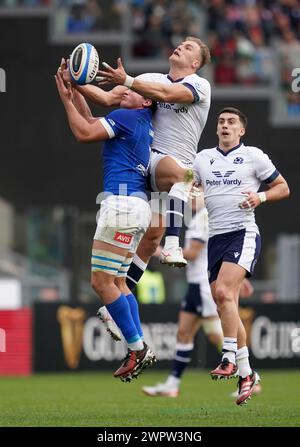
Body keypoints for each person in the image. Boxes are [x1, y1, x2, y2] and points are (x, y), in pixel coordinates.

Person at [62, 36, 211, 276]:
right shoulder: (148, 80)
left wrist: (128, 80)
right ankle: (174, 246)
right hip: (149, 159)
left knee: (152, 239)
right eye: (181, 43)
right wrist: (74, 81)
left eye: (189, 47)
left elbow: (169, 94)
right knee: (187, 176)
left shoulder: (200, 85)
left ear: (195, 63)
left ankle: (122, 294)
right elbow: (107, 98)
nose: (181, 46)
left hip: (168, 171)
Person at [55, 67, 157, 382]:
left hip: (120, 205)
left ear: (146, 102)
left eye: (134, 89)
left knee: (101, 283)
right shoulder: (139, 122)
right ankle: (139, 344)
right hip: (138, 207)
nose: (126, 89)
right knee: (120, 283)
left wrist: (65, 99)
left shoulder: (127, 118)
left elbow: (83, 133)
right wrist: (76, 95)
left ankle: (137, 349)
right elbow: (90, 122)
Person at [193, 107, 290, 405]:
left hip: (243, 233)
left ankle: (229, 358)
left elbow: (283, 187)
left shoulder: (253, 156)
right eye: (221, 121)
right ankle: (248, 373)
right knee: (227, 304)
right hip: (216, 238)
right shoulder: (202, 158)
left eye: (231, 122)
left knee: (222, 293)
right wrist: (189, 194)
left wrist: (259, 197)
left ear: (241, 130)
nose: (225, 125)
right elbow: (192, 189)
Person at [141, 198, 259, 398]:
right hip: (195, 285)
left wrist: (162, 251)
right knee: (183, 334)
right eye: (191, 192)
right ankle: (172, 384)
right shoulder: (199, 217)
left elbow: (194, 253)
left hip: (205, 287)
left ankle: (247, 374)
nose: (192, 197)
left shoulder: (204, 217)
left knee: (217, 335)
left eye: (198, 191)